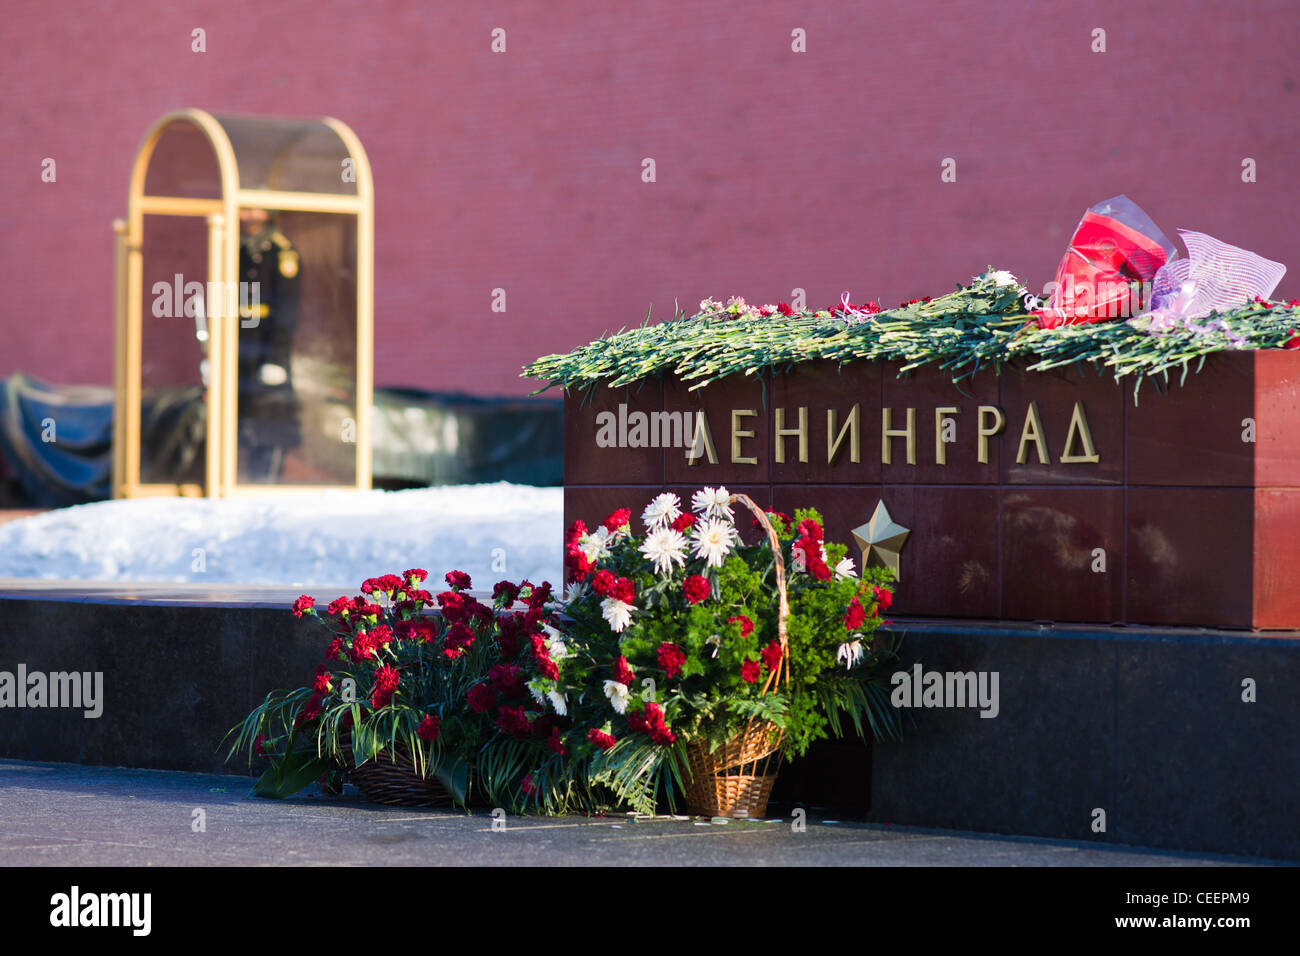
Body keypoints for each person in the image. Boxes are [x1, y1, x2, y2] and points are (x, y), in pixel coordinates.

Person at [237, 208, 302, 481]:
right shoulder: (234, 248)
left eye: (255, 208)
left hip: (267, 343)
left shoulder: (281, 252)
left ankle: (267, 479)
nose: (248, 214)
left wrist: (276, 357)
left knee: (271, 416)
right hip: (240, 341)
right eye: (244, 208)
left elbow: (287, 309)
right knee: (244, 413)